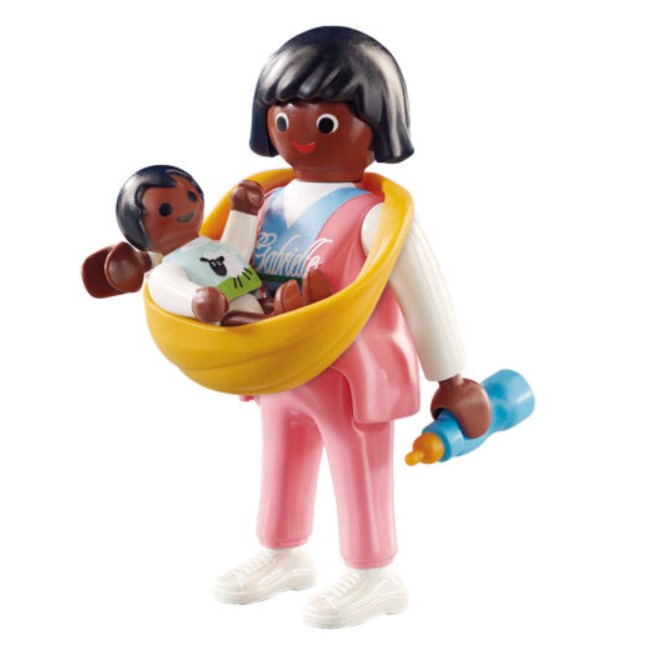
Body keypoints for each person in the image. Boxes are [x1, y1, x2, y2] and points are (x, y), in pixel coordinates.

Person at [208, 26, 492, 628]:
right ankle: (282, 551)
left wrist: (452, 377)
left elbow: (426, 295)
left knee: (357, 463)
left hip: (351, 375)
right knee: (281, 455)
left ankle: (373, 572)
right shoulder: (265, 203)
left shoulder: (377, 216)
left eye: (325, 121)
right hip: (279, 364)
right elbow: (228, 269)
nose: (300, 133)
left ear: (377, 127)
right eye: (283, 116)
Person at [82, 165, 328, 323]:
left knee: (267, 304)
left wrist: (244, 210)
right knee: (243, 317)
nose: (186, 208)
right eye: (165, 210)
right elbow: (166, 287)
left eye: (191, 196)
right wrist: (197, 300)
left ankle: (305, 303)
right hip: (230, 319)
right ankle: (283, 317)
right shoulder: (168, 268)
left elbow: (236, 251)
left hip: (254, 298)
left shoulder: (209, 245)